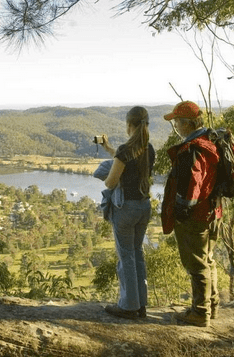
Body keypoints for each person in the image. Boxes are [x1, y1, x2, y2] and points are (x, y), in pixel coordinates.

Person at [162, 101, 221, 327]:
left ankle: (200, 312)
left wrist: (180, 210)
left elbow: (192, 184)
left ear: (186, 124)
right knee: (208, 260)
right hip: (213, 211)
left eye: (176, 121)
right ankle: (211, 306)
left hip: (196, 216)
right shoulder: (210, 142)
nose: (175, 125)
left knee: (196, 264)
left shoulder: (192, 149)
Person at [96, 106, 155, 320]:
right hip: (143, 207)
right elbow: (123, 158)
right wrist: (108, 148)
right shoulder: (148, 149)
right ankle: (141, 304)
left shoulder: (126, 149)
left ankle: (128, 306)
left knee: (126, 257)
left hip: (126, 209)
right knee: (137, 253)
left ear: (129, 125)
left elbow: (111, 182)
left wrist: (105, 174)